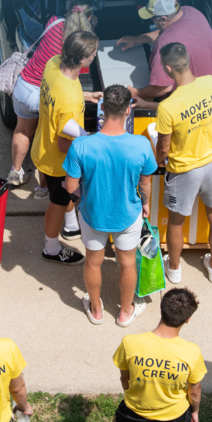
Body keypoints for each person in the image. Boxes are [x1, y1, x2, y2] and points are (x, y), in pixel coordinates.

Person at [64, 85, 158, 327]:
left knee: (93, 262)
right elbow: (145, 184)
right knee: (127, 263)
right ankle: (125, 312)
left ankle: (95, 309)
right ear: (128, 110)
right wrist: (145, 205)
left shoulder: (80, 146)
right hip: (128, 215)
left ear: (102, 107)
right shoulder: (142, 145)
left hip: (92, 214)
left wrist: (85, 197)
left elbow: (70, 186)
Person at [154, 43, 212, 284]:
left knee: (176, 222)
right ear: (187, 60)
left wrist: (155, 163)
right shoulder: (210, 82)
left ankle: (174, 270)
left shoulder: (167, 107)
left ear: (167, 68)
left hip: (185, 169)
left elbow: (163, 148)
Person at [7, 0, 99, 187]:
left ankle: (15, 171)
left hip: (24, 85)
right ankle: (43, 187)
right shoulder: (76, 47)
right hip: (42, 93)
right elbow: (65, 92)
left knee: (23, 131)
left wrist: (88, 96)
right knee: (47, 139)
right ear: (90, 18)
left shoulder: (54, 21)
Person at [31, 31, 100, 265]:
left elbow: (61, 96)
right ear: (81, 59)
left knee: (65, 195)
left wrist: (85, 96)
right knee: (58, 201)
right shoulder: (69, 101)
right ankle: (51, 248)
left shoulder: (53, 63)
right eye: (92, 54)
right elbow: (63, 143)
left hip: (42, 144)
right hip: (57, 160)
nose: (94, 57)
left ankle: (71, 226)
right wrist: (90, 140)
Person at [109, 288, 205, 422]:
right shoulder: (192, 352)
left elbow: (125, 378)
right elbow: (194, 391)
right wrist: (195, 411)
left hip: (136, 409)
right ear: (188, 319)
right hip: (176, 413)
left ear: (162, 309)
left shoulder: (130, 343)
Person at [117, 0, 212, 111]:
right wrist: (138, 39)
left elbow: (163, 87)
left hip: (201, 105)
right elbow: (167, 31)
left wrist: (137, 93)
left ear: (163, 19)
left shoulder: (165, 43)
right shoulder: (191, 11)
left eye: (153, 18)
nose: (152, 21)